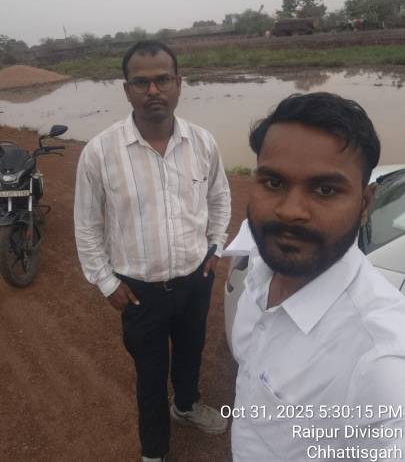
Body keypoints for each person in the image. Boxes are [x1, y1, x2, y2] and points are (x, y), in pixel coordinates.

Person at [74, 40, 231, 462]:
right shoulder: (100, 152)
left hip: (195, 279)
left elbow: (219, 198)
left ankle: (187, 405)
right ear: (127, 90)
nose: (153, 91)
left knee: (191, 350)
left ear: (179, 83)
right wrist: (106, 282)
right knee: (149, 374)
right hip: (139, 292)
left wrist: (215, 246)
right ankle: (155, 452)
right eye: (141, 82)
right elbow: (86, 225)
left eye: (163, 80)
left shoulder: (202, 142)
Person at [231, 92, 405, 461]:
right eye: (273, 183)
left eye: (324, 190)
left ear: (365, 202)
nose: (291, 211)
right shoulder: (259, 272)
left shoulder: (381, 362)